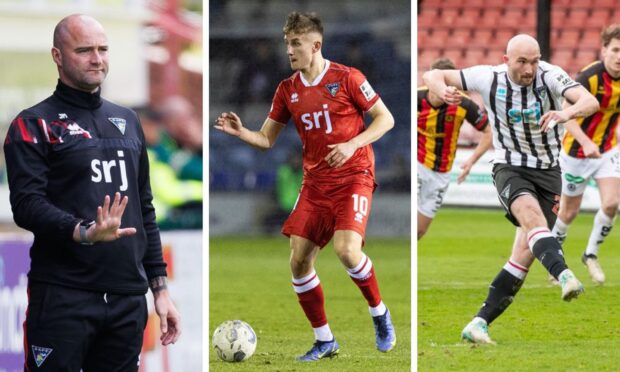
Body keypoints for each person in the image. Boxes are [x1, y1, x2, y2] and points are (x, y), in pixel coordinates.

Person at [215, 12, 396, 361]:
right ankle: (325, 340)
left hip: (354, 175)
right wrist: (242, 133)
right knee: (299, 261)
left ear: (316, 45)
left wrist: (352, 144)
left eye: (296, 43)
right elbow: (267, 139)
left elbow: (385, 119)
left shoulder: (348, 78)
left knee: (346, 250)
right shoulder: (288, 89)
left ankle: (380, 314)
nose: (289, 50)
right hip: (315, 183)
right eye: (287, 44)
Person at [3, 15, 181, 370]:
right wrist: (83, 231)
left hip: (127, 298)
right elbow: (26, 205)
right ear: (57, 55)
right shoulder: (32, 124)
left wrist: (160, 290)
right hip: (63, 295)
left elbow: (144, 209)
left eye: (102, 49)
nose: (97, 59)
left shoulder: (128, 120)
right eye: (84, 50)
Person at [423, 34, 599, 344]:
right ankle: (564, 274)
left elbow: (590, 101)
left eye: (534, 60)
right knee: (532, 218)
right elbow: (432, 74)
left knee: (522, 258)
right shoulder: (488, 77)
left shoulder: (550, 75)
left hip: (548, 173)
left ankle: (478, 323)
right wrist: (441, 89)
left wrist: (566, 113)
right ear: (507, 61)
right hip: (509, 168)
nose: (530, 68)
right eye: (522, 62)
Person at [551, 24, 620, 285]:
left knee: (612, 203)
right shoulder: (590, 77)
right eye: (615, 50)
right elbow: (565, 116)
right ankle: (555, 261)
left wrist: (600, 144)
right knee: (568, 213)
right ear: (604, 50)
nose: (619, 56)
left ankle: (590, 254)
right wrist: (586, 141)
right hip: (576, 153)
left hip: (607, 150)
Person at [417, 58, 491, 240]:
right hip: (418, 164)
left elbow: (489, 132)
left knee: (419, 231)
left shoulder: (464, 104)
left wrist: (471, 160)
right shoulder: (416, 98)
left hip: (441, 172)